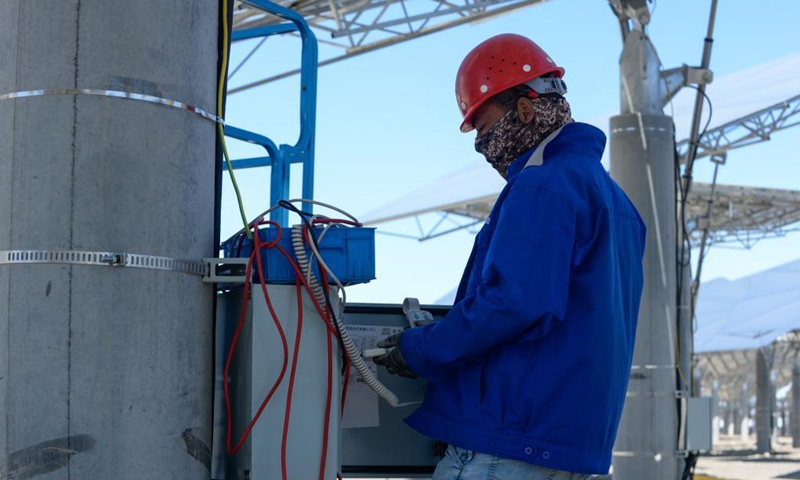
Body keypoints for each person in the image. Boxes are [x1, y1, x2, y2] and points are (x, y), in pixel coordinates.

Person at [374, 34, 646, 479]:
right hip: (566, 448)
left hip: (505, 446)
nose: (483, 146)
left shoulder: (543, 185)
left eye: (483, 128)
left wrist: (419, 348)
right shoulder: (616, 203)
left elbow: (512, 303)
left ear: (523, 109)